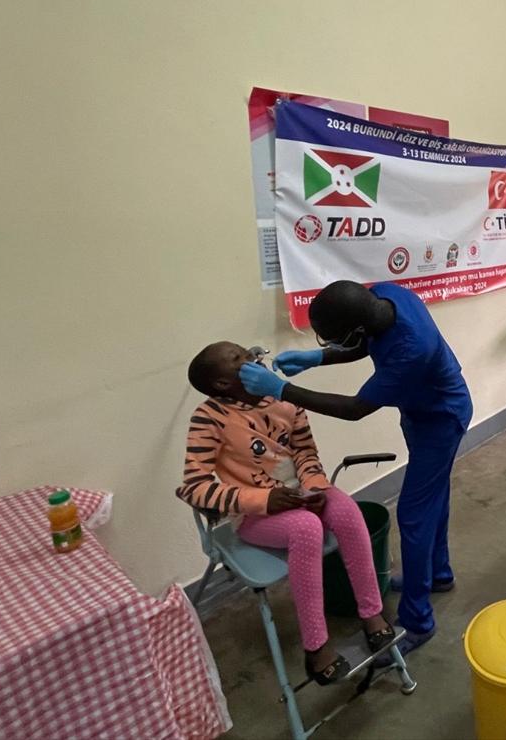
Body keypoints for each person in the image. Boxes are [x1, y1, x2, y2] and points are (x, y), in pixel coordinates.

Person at [238, 280, 472, 659]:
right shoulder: (386, 296)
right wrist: (318, 358)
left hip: (441, 419)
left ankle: (418, 621)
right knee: (432, 498)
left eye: (331, 339)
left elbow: (354, 409)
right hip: (420, 411)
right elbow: (365, 343)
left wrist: (281, 389)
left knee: (414, 515)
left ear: (356, 326)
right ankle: (438, 574)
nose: (328, 343)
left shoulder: (413, 348)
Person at [177, 341, 394, 685]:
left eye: (249, 352)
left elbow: (305, 451)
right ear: (222, 383)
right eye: (239, 358)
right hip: (254, 514)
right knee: (307, 528)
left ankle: (371, 612)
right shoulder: (209, 418)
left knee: (348, 512)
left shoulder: (284, 399)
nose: (253, 357)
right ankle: (316, 647)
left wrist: (316, 486)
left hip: (302, 494)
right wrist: (264, 500)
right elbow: (194, 487)